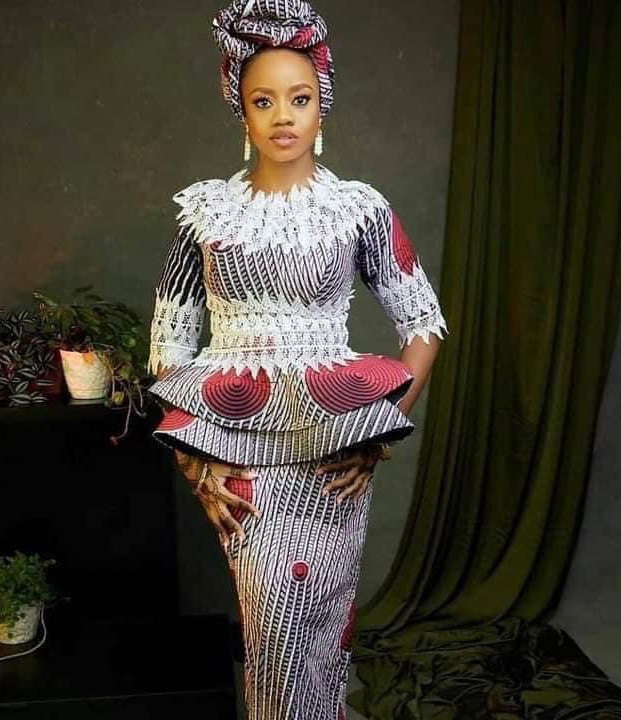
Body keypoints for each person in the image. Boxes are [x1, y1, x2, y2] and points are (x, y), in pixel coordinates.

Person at [147, 1, 448, 717]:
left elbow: (424, 325)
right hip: (238, 456)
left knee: (321, 632)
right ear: (242, 112)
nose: (283, 115)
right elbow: (168, 348)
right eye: (263, 100)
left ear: (321, 106)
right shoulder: (206, 216)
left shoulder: (358, 210)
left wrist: (377, 434)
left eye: (300, 98)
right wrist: (196, 463)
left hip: (332, 457)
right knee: (273, 629)